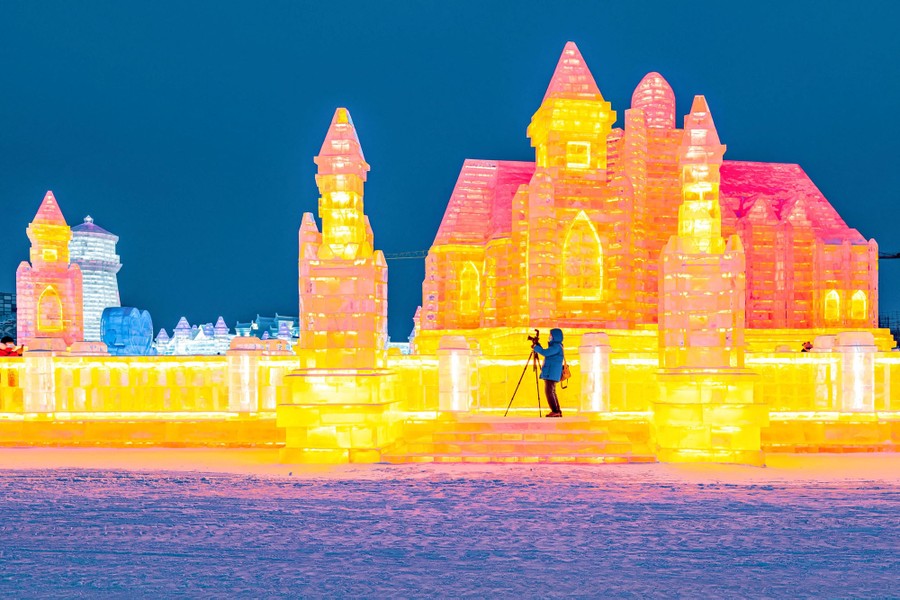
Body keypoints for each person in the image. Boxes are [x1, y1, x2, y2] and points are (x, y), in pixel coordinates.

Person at [532, 328, 565, 417]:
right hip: (551, 372)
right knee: (551, 392)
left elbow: (545, 353)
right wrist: (538, 346)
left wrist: (536, 348)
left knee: (549, 392)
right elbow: (547, 352)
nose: (549, 337)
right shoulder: (556, 346)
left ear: (555, 336)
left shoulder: (556, 347)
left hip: (552, 373)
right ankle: (557, 411)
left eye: (551, 335)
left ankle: (555, 411)